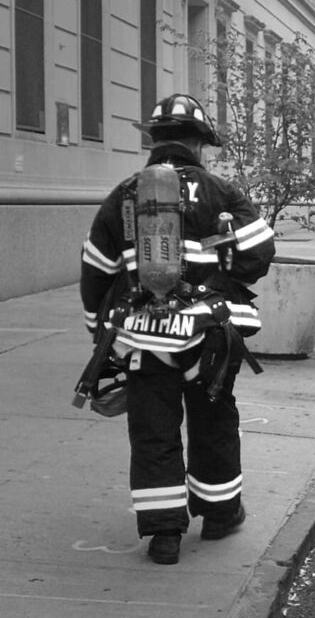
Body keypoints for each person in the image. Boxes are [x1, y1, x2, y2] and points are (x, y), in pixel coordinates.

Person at [80, 94, 275, 565]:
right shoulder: (221, 192)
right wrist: (221, 279)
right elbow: (258, 253)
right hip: (208, 336)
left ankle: (165, 534)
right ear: (198, 143)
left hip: (144, 338)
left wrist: (99, 335)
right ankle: (220, 512)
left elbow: (96, 272)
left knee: (153, 431)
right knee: (214, 422)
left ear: (155, 142)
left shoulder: (123, 196)